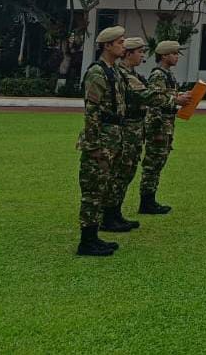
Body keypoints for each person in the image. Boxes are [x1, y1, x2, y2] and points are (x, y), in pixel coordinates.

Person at [76, 26, 127, 257]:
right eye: (119, 42)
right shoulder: (97, 73)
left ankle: (94, 236)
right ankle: (86, 241)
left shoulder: (113, 71)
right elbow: (92, 111)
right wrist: (94, 144)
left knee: (103, 186)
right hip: (101, 138)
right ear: (107, 45)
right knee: (93, 190)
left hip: (112, 136)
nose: (123, 46)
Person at [140, 40, 192, 215]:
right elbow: (154, 99)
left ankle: (150, 199)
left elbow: (165, 96)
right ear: (164, 56)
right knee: (153, 163)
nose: (177, 57)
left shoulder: (166, 75)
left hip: (165, 124)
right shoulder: (158, 75)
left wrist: (179, 97)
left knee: (158, 162)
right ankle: (146, 201)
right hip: (158, 124)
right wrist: (176, 100)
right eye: (174, 54)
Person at [104, 37, 149, 233]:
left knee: (127, 172)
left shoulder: (131, 73)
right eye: (139, 51)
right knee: (120, 173)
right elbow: (145, 95)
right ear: (128, 53)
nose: (142, 55)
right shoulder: (122, 74)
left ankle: (115, 213)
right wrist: (175, 99)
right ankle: (109, 215)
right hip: (127, 130)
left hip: (135, 129)